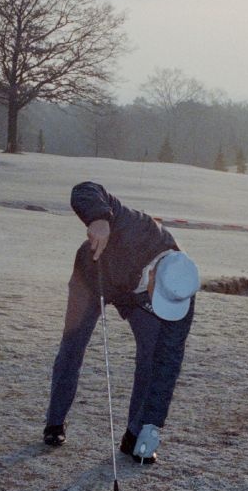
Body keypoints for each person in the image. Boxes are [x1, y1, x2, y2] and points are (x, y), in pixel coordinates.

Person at [43, 182, 199, 464]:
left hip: (135, 296)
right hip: (93, 276)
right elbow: (86, 189)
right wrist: (99, 218)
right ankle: (55, 422)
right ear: (154, 276)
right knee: (73, 346)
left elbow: (169, 363)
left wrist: (153, 426)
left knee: (153, 355)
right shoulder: (138, 229)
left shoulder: (182, 291)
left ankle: (134, 434)